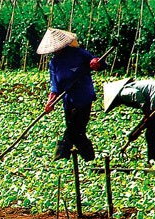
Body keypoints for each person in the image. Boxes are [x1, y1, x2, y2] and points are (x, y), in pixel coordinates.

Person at [37, 28, 106, 161]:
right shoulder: (54, 63)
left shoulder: (79, 54)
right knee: (77, 132)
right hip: (68, 100)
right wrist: (50, 101)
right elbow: (55, 86)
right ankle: (89, 159)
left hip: (83, 97)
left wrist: (96, 63)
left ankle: (60, 158)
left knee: (73, 130)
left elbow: (99, 64)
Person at [103, 78, 155, 163]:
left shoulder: (122, 92)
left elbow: (136, 94)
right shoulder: (135, 85)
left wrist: (145, 110)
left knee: (153, 133)